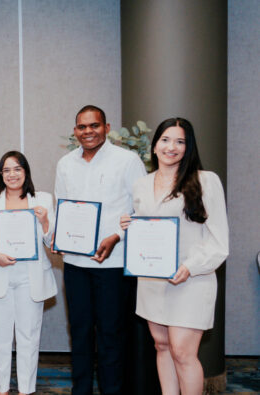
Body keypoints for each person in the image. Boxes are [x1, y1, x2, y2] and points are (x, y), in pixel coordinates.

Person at [120, 118, 228, 395]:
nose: (172, 147)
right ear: (154, 146)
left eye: (180, 141)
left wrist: (191, 267)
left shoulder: (206, 181)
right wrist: (129, 226)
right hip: (152, 281)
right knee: (162, 346)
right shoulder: (141, 184)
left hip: (191, 280)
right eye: (166, 140)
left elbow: (219, 241)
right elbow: (148, 229)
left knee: (183, 352)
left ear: (188, 147)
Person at [54, 105, 146, 395]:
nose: (88, 132)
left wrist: (117, 236)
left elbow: (141, 209)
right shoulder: (65, 163)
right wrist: (60, 236)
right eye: (82, 127)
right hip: (75, 263)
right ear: (75, 131)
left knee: (111, 335)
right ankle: (80, 390)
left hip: (113, 264)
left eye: (94, 126)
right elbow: (62, 207)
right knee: (79, 332)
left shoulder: (127, 160)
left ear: (106, 128)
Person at [0, 151, 57, 395]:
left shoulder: (43, 199)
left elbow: (52, 242)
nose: (12, 174)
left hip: (31, 276)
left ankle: (26, 390)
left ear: (26, 171)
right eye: (6, 170)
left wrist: (46, 222)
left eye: (17, 169)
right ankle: (2, 388)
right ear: (1, 174)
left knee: (29, 336)